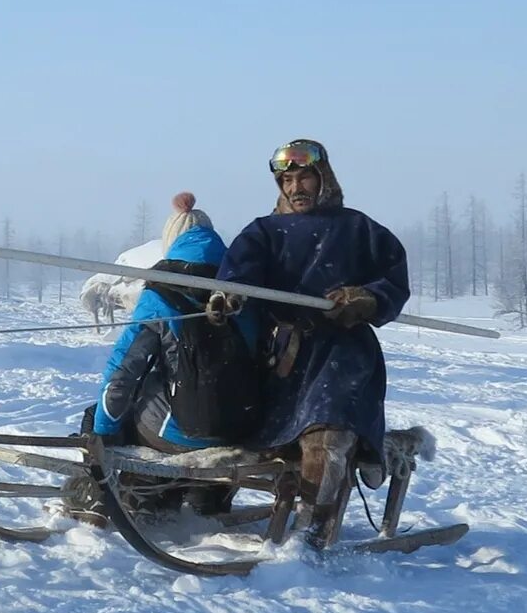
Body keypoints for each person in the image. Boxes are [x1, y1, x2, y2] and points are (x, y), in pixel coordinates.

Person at [214, 139, 411, 539]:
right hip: (281, 357)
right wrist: (229, 295)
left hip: (342, 355)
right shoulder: (263, 231)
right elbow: (237, 273)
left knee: (327, 431)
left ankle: (313, 534)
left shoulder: (361, 230)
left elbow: (393, 281)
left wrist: (366, 298)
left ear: (324, 178)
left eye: (304, 177)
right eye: (287, 180)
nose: (295, 188)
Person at [85, 193, 228, 449]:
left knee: (94, 417)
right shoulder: (242, 287)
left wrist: (102, 431)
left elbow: (123, 373)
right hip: (241, 425)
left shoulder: (161, 294)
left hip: (179, 428)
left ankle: (102, 484)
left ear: (171, 241)